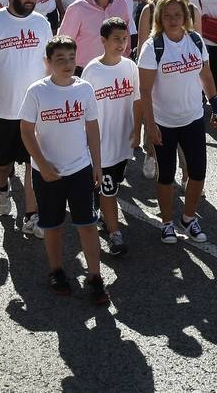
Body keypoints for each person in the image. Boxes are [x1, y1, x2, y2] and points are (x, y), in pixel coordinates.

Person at [19, 36, 108, 304]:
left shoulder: (84, 89)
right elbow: (26, 131)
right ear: (48, 62)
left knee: (88, 225)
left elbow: (92, 127)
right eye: (60, 59)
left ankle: (94, 276)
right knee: (53, 226)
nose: (67, 64)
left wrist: (97, 165)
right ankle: (56, 271)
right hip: (47, 173)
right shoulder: (37, 91)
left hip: (80, 169)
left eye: (71, 58)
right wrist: (43, 167)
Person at [0, 0, 54, 237]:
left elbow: (48, 63)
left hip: (35, 110)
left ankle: (31, 216)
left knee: (34, 163)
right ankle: (3, 187)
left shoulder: (42, 23)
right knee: (3, 163)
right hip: (3, 110)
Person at [138, 0, 217, 244]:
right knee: (166, 174)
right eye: (168, 15)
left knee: (197, 172)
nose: (173, 19)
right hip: (164, 123)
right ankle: (167, 222)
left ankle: (189, 217)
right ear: (160, 17)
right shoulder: (153, 46)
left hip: (193, 118)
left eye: (178, 14)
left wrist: (216, 102)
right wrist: (150, 125)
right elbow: (144, 91)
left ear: (185, 16)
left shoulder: (194, 40)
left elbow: (205, 75)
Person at [83, 17, 140, 257]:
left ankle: (101, 213)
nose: (121, 43)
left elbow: (137, 99)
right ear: (103, 40)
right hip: (102, 145)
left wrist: (138, 130)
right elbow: (84, 111)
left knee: (111, 185)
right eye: (116, 39)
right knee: (109, 190)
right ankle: (115, 234)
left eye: (124, 39)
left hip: (122, 142)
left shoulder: (130, 66)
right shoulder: (92, 71)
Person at [58, 0, 131, 67]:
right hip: (85, 72)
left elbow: (126, 34)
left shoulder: (121, 3)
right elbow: (63, 45)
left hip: (117, 69)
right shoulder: (77, 8)